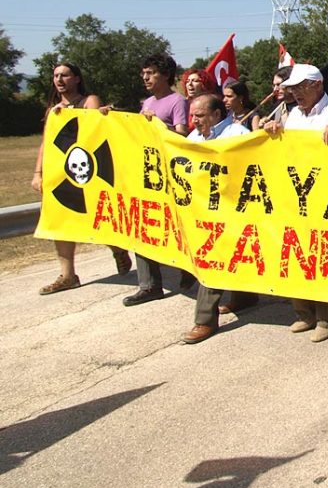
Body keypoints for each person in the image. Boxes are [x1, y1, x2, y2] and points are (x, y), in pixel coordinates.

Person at [264, 63, 328, 342]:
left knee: (324, 254)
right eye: (292, 88)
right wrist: (274, 130)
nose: (294, 93)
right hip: (296, 196)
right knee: (296, 253)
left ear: (317, 85)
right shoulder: (294, 115)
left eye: (300, 87)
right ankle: (303, 313)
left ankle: (327, 317)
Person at [32, 62, 131, 294]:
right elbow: (46, 143)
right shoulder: (53, 111)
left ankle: (117, 248)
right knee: (60, 221)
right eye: (55, 75)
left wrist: (68, 115)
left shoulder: (90, 101)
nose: (59, 79)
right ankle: (67, 275)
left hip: (92, 170)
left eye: (64, 75)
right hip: (63, 174)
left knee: (97, 216)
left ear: (76, 79)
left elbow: (93, 129)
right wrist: (38, 173)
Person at [179, 94, 252, 344]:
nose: (194, 120)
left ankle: (204, 320)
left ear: (217, 115)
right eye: (192, 115)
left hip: (236, 210)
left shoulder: (237, 134)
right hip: (206, 211)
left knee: (214, 259)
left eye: (199, 115)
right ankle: (245, 296)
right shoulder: (194, 138)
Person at [123, 53, 191, 307]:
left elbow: (182, 135)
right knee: (141, 225)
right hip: (147, 174)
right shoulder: (147, 102)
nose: (145, 77)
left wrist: (159, 127)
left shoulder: (177, 101)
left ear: (164, 75)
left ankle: (188, 267)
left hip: (170, 177)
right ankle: (148, 285)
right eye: (144, 73)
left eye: (150, 73)